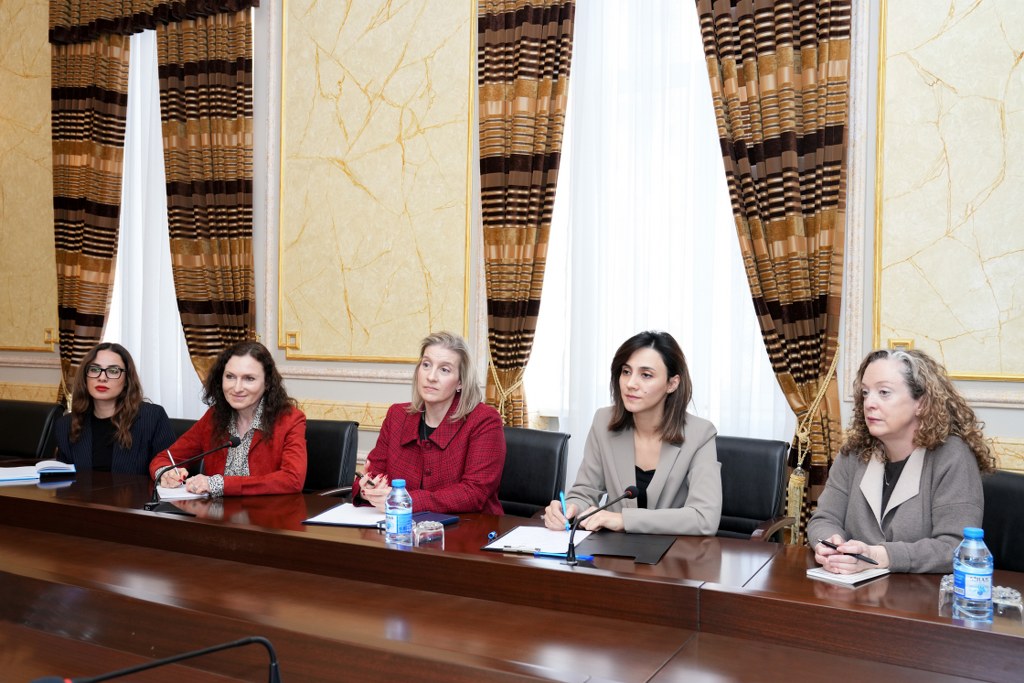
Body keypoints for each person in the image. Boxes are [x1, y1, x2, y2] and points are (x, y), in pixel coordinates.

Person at [808, 349, 995, 574]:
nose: (869, 403)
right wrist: (830, 544)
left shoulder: (953, 456)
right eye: (865, 392)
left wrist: (878, 556)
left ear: (921, 403)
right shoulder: (853, 453)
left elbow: (955, 547)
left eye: (884, 392)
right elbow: (824, 518)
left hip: (921, 593)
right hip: (850, 588)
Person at [543, 331, 721, 535]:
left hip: (674, 551)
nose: (630, 384)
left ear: (672, 384)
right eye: (626, 372)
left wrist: (624, 520)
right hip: (612, 550)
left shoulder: (700, 434)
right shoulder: (603, 421)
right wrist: (569, 509)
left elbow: (704, 517)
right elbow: (585, 492)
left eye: (646, 375)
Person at [352, 331, 505, 514]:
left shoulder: (484, 420)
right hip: (402, 526)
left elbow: (474, 493)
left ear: (460, 382)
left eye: (444, 370)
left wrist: (404, 501)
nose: (431, 377)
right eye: (426, 365)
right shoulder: (397, 415)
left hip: (469, 527)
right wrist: (367, 489)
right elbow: (374, 474)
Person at [150, 341, 307, 496]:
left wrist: (219, 484)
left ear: (267, 383)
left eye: (249, 378)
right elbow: (164, 458)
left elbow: (292, 479)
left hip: (268, 511)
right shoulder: (214, 417)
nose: (237, 388)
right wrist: (165, 473)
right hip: (216, 512)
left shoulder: (290, 420)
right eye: (230, 377)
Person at [54, 343, 175, 475]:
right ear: (85, 376)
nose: (102, 378)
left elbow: (168, 471)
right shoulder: (65, 425)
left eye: (113, 371)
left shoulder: (152, 417)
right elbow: (63, 480)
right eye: (94, 369)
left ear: (127, 380)